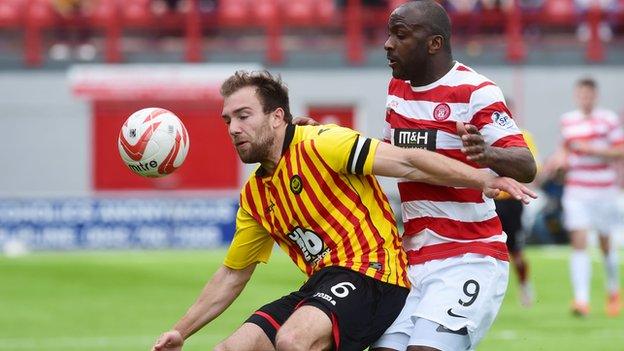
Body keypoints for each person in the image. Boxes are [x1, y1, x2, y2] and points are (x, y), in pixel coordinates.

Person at [151, 70, 535, 351]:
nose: (233, 128)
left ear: (277, 117)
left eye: (243, 115)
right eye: (228, 120)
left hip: (375, 276)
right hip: (322, 285)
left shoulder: (323, 143)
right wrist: (181, 331)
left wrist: (480, 179)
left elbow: (409, 162)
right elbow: (233, 275)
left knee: (293, 340)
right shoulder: (254, 196)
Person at [372, 2, 537, 351]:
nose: (388, 44)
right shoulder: (397, 90)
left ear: (434, 43)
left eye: (400, 35)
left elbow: (526, 165)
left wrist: (488, 154)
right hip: (413, 258)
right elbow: (391, 157)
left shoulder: (475, 91)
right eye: (389, 34)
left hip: (468, 255)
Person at [559, 77, 624, 317]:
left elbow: (620, 150)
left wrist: (591, 149)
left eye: (588, 95)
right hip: (576, 189)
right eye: (581, 95)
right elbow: (564, 151)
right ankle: (581, 300)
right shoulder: (568, 121)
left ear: (595, 96)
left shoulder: (608, 119)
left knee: (606, 245)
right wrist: (557, 164)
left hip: (604, 189)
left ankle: (613, 290)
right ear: (577, 96)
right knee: (579, 241)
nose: (585, 99)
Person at [494, 129, 538, 307]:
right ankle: (491, 292)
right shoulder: (481, 135)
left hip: (512, 201)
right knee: (489, 250)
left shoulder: (522, 136)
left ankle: (524, 285)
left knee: (516, 251)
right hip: (489, 200)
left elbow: (532, 167)